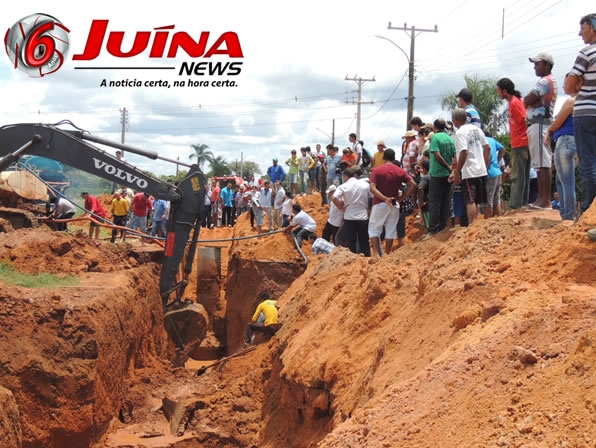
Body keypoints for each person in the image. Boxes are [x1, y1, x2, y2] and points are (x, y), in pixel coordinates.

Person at [565, 13, 596, 216]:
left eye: (583, 28)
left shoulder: (587, 53)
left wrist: (579, 87)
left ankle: (588, 213)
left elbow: (569, 86)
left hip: (586, 112)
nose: (580, 33)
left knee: (588, 164)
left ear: (592, 28)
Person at [524, 52, 558, 209]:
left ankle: (544, 200)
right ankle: (542, 199)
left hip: (540, 124)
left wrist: (534, 101)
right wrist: (533, 102)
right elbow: (530, 101)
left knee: (543, 163)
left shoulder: (545, 81)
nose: (534, 67)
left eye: (537, 64)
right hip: (538, 124)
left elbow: (527, 100)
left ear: (546, 65)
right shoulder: (546, 81)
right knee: (539, 163)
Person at [368, 148, 416, 257]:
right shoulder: (400, 170)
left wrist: (385, 198)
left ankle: (376, 254)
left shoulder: (377, 170)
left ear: (384, 157)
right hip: (394, 203)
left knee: (374, 228)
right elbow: (413, 184)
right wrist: (403, 197)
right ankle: (387, 254)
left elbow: (372, 188)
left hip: (380, 202)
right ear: (394, 158)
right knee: (391, 229)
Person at [451, 108, 490, 226]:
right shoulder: (477, 130)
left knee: (470, 200)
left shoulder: (460, 132)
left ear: (455, 120)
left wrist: (457, 172)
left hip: (469, 170)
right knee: (477, 200)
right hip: (481, 169)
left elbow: (464, 152)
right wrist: (485, 164)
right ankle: (476, 226)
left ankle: (472, 225)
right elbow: (487, 148)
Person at [497, 78, 530, 210]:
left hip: (520, 143)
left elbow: (525, 119)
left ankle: (516, 206)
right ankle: (523, 204)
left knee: (517, 176)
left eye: (499, 90)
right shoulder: (515, 102)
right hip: (523, 142)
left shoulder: (515, 103)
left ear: (504, 91)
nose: (498, 93)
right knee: (523, 175)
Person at [546, 86, 577, 221]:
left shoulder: (572, 100)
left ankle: (567, 218)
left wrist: (549, 131)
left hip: (565, 141)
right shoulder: (587, 102)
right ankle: (566, 214)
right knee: (562, 180)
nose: (565, 86)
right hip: (577, 144)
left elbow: (559, 121)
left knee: (567, 182)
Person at [332, 167, 371, 257]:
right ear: (354, 175)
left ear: (345, 177)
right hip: (363, 215)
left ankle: (353, 261)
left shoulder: (343, 186)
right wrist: (370, 209)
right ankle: (367, 259)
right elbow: (372, 196)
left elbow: (334, 198)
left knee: (351, 241)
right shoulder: (365, 184)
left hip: (349, 216)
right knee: (364, 240)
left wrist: (341, 208)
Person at [428, 118, 456, 234]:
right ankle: (443, 228)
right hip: (448, 175)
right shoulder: (450, 139)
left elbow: (437, 155)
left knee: (435, 202)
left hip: (437, 173)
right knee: (446, 202)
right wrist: (452, 170)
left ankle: (433, 230)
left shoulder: (435, 137)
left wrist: (447, 167)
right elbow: (455, 157)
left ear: (435, 127)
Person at [483, 135, 506, 218]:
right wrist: (497, 160)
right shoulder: (491, 140)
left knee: (488, 201)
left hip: (490, 173)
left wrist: (485, 169)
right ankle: (498, 222)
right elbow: (503, 149)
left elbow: (487, 155)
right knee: (496, 200)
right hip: (497, 171)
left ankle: (486, 224)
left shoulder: (482, 141)